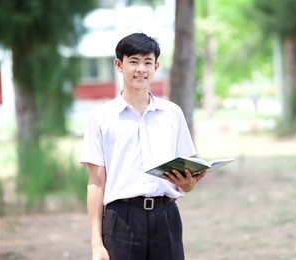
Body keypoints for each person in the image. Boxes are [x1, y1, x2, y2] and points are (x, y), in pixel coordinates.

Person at [80, 32, 206, 260]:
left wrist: (188, 185)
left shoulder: (172, 113)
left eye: (148, 62)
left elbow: (185, 172)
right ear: (119, 65)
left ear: (156, 66)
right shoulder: (100, 117)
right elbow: (96, 183)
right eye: (134, 62)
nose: (141, 69)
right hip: (122, 219)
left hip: (166, 216)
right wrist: (96, 243)